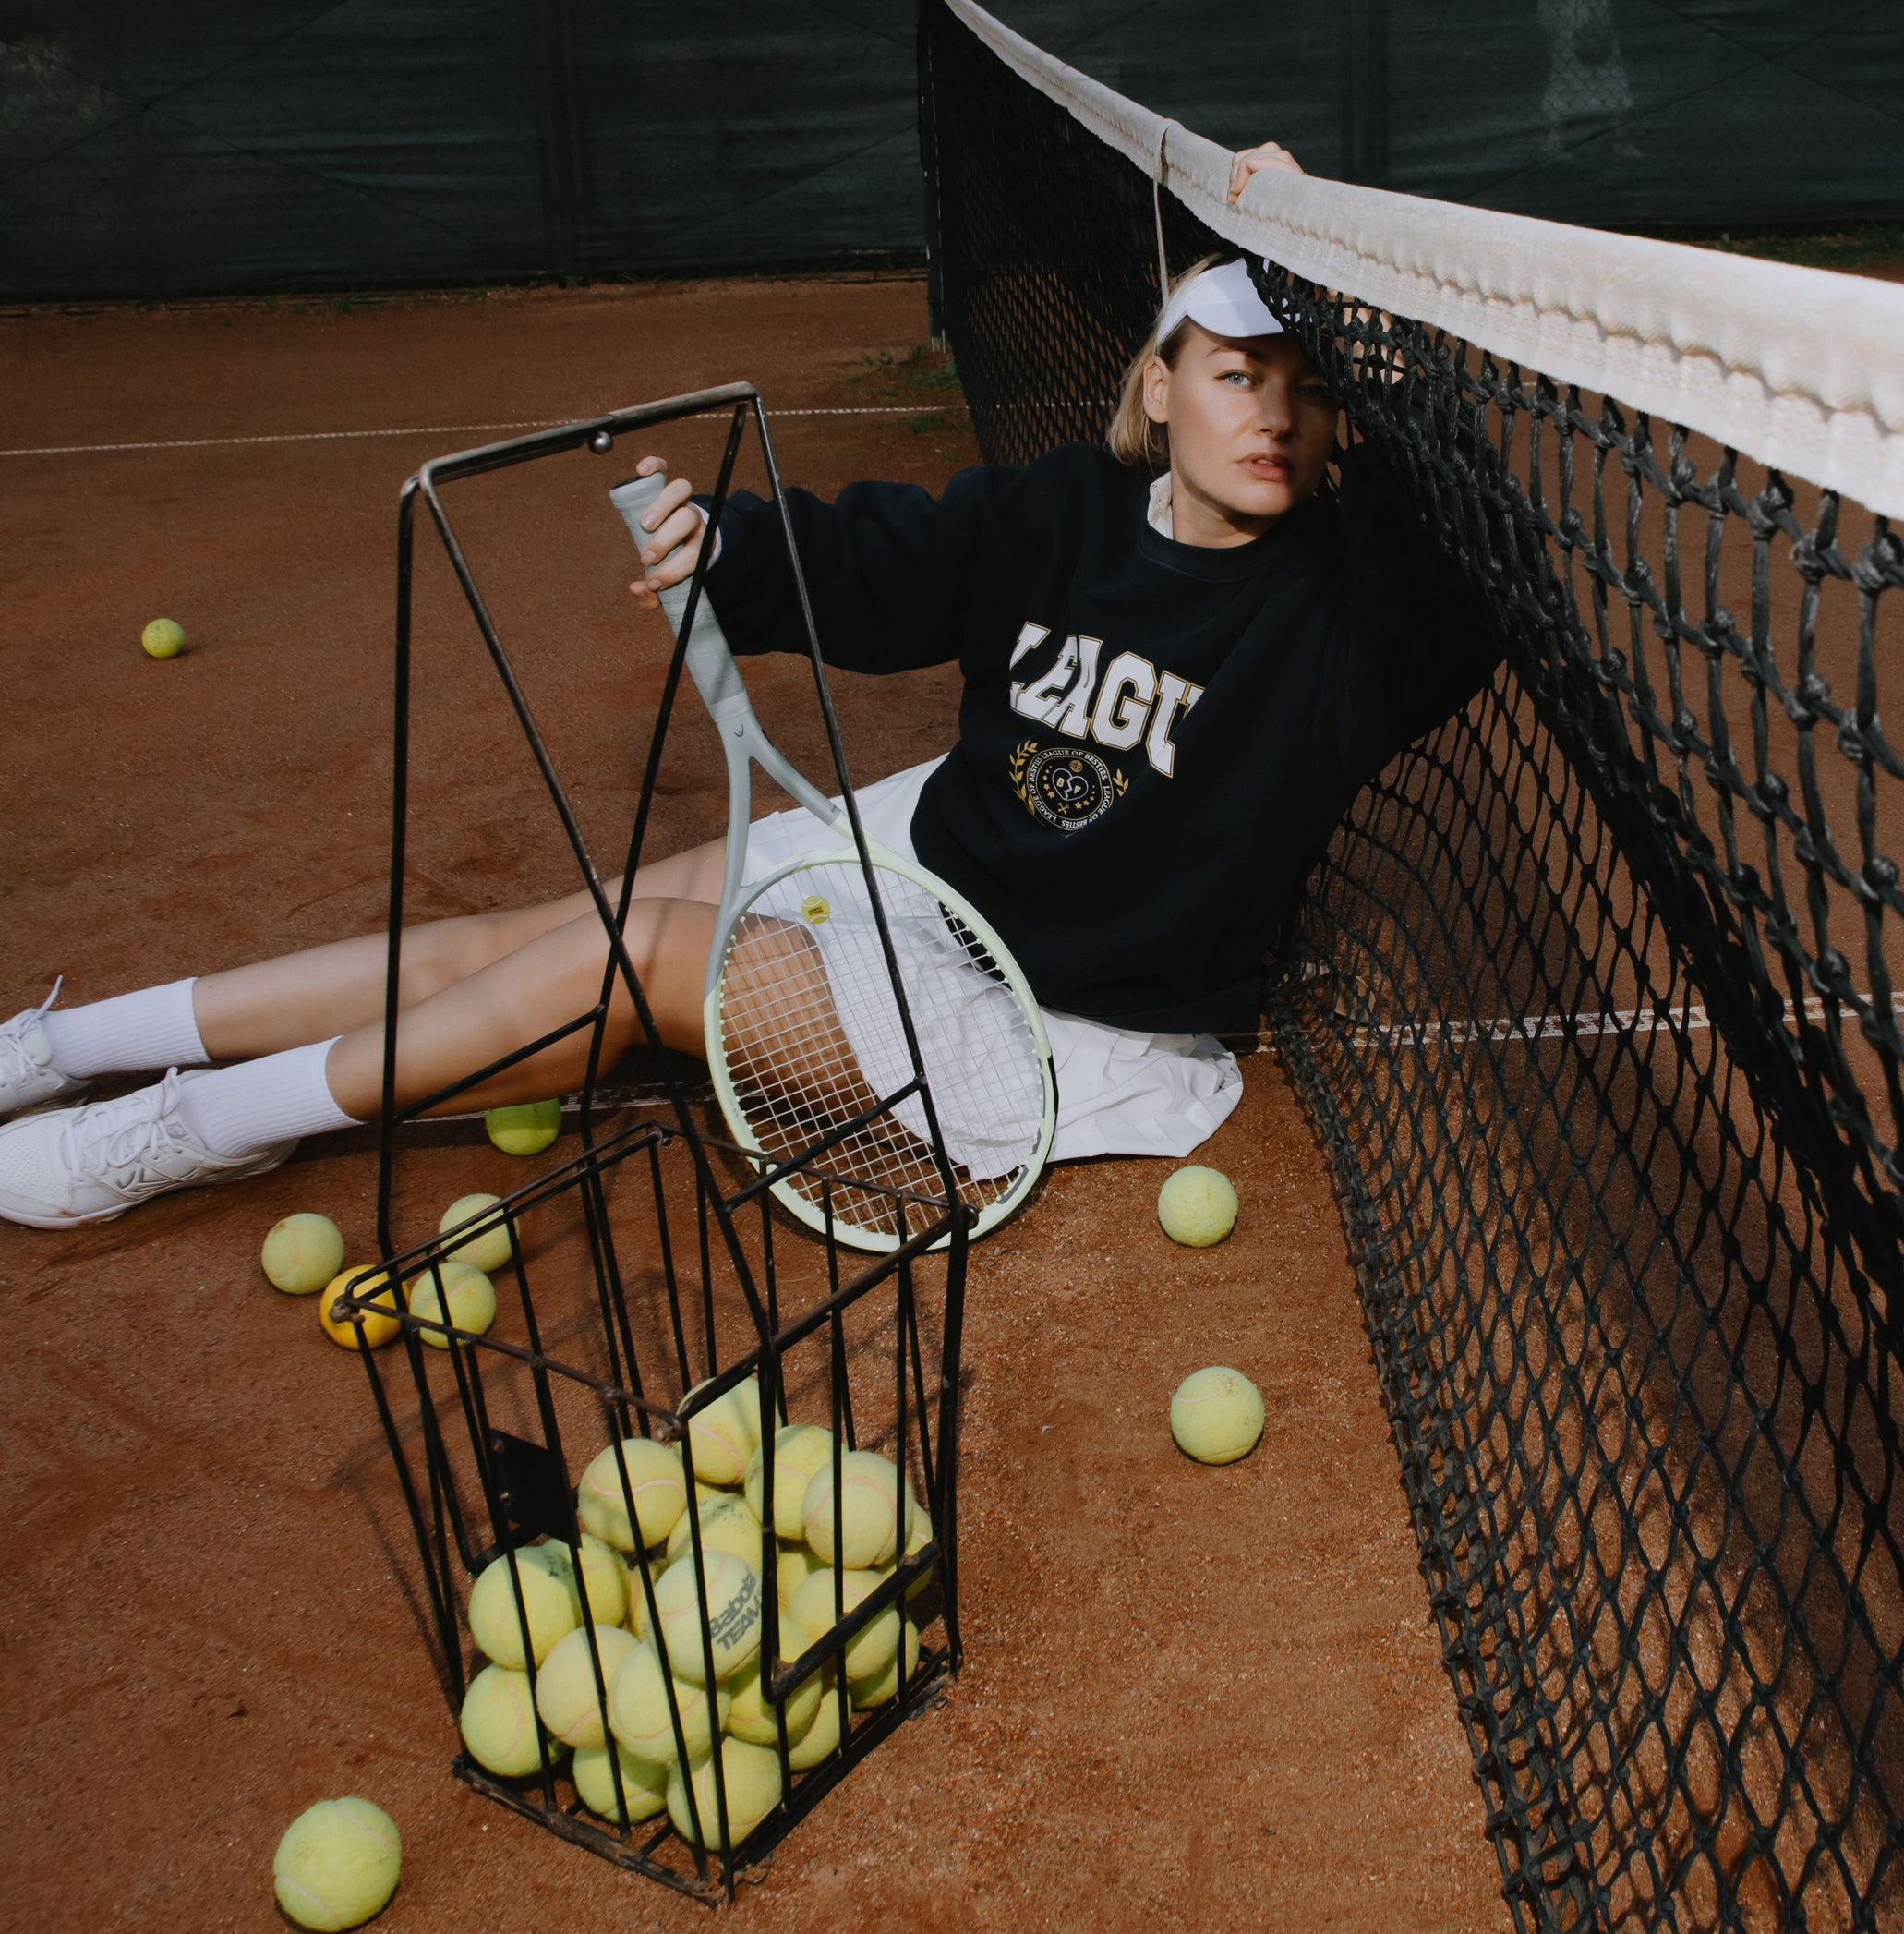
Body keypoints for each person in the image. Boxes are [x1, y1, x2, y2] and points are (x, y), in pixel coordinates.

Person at [0, 201, 1499, 1229]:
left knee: (628, 955)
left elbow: (1477, 555)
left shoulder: (1341, 617)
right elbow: (890, 558)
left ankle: (194, 1134)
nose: (1275, 418)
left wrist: (1338, 266)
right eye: (1238, 375)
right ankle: (84, 1046)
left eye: (1310, 389)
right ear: (1161, 386)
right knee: (554, 926)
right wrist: (730, 549)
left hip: (1054, 1021)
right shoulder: (1068, 510)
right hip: (932, 864)